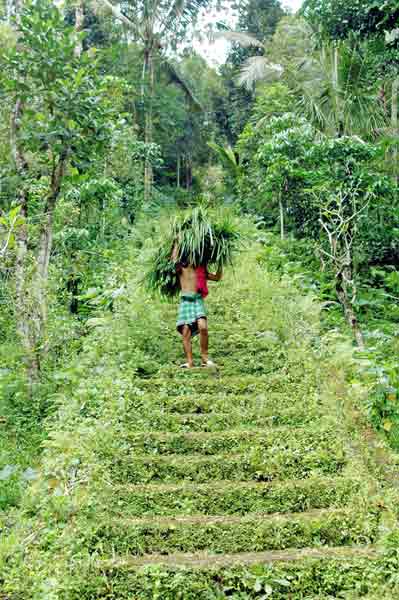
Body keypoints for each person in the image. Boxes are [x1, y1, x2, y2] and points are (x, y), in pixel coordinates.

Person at [173, 247, 222, 368]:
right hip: (186, 301)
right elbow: (174, 259)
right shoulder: (180, 268)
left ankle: (205, 358)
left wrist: (221, 261)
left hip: (197, 300)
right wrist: (176, 242)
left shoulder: (201, 270)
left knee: (203, 327)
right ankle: (190, 362)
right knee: (186, 332)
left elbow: (217, 277)